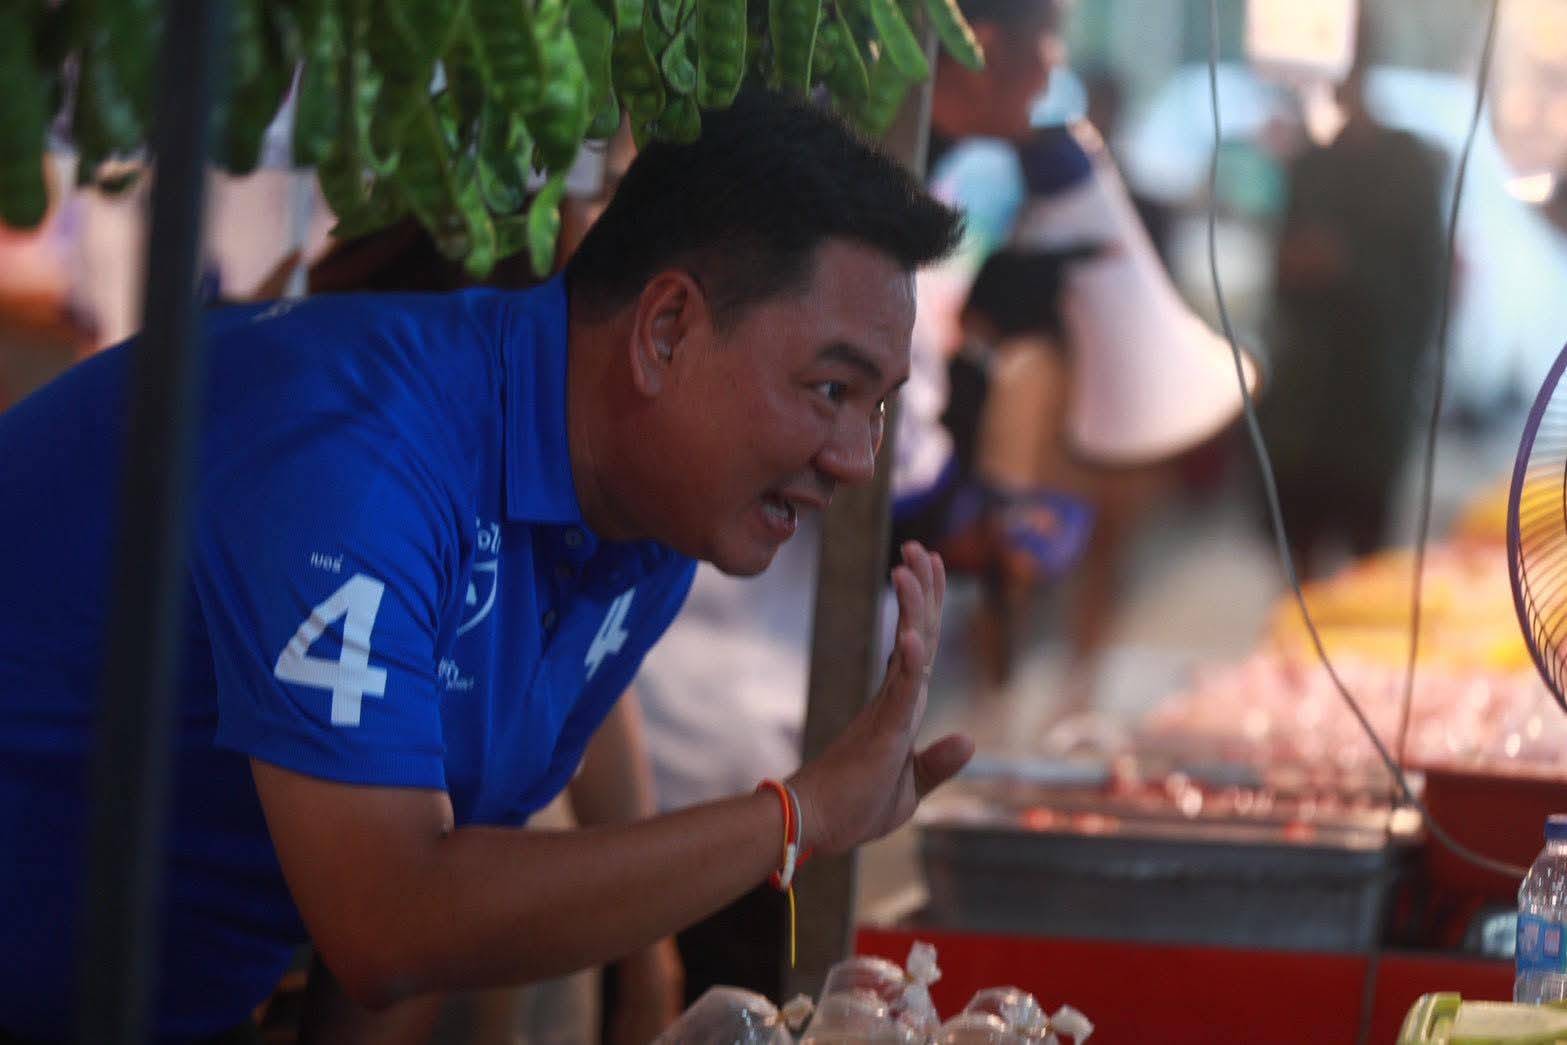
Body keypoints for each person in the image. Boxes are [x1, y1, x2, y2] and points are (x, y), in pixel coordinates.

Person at [0, 89, 973, 1041]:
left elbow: (433, 913)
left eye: (878, 404)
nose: (857, 458)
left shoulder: (650, 529)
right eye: (830, 388)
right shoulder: (366, 459)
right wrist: (800, 813)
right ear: (665, 329)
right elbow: (393, 921)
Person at [1261, 23, 1446, 577]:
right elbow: (1281, 273)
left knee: (1368, 570)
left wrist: (1345, 266)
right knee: (1300, 562)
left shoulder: (1407, 165)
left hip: (1373, 398)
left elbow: (1427, 283)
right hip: (1306, 405)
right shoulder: (1312, 165)